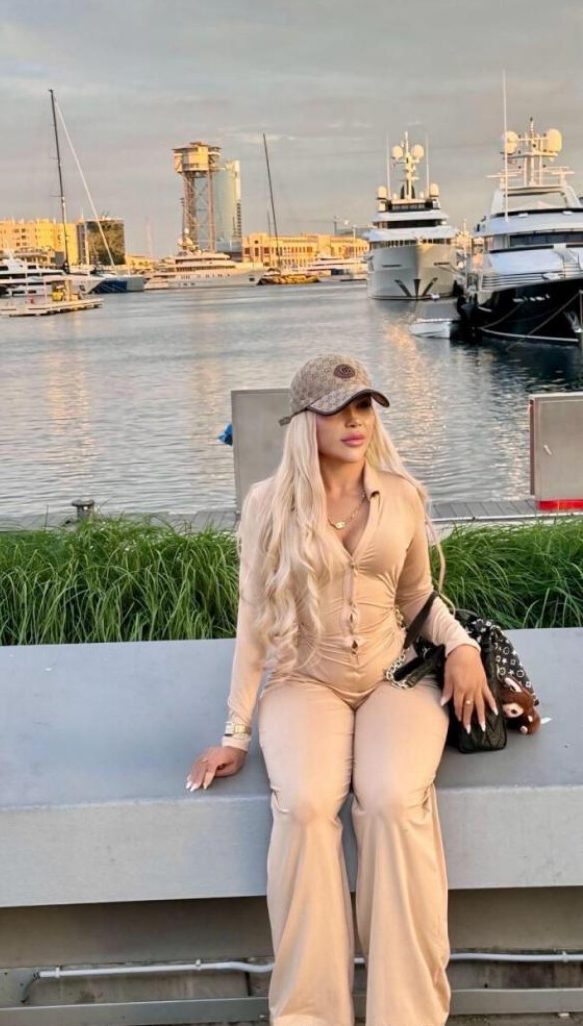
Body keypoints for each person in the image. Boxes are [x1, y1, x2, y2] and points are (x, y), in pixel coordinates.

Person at [186, 352, 496, 1026]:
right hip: (305, 680)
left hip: (395, 678)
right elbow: (254, 621)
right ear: (307, 422)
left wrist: (462, 646)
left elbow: (417, 598)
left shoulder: (402, 495)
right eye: (338, 410)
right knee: (303, 808)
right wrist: (235, 733)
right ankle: (309, 1015)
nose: (355, 422)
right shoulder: (268, 505)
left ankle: (406, 1015)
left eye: (363, 407)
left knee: (391, 802)